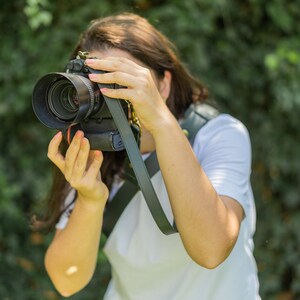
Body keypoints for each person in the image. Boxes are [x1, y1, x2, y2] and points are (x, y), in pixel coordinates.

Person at [35, 12, 261, 299]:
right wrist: (91, 200)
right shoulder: (89, 146)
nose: (107, 95)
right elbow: (66, 280)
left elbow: (212, 250)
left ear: (163, 84)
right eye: (96, 84)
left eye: (119, 80)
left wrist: (162, 124)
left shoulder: (218, 134)